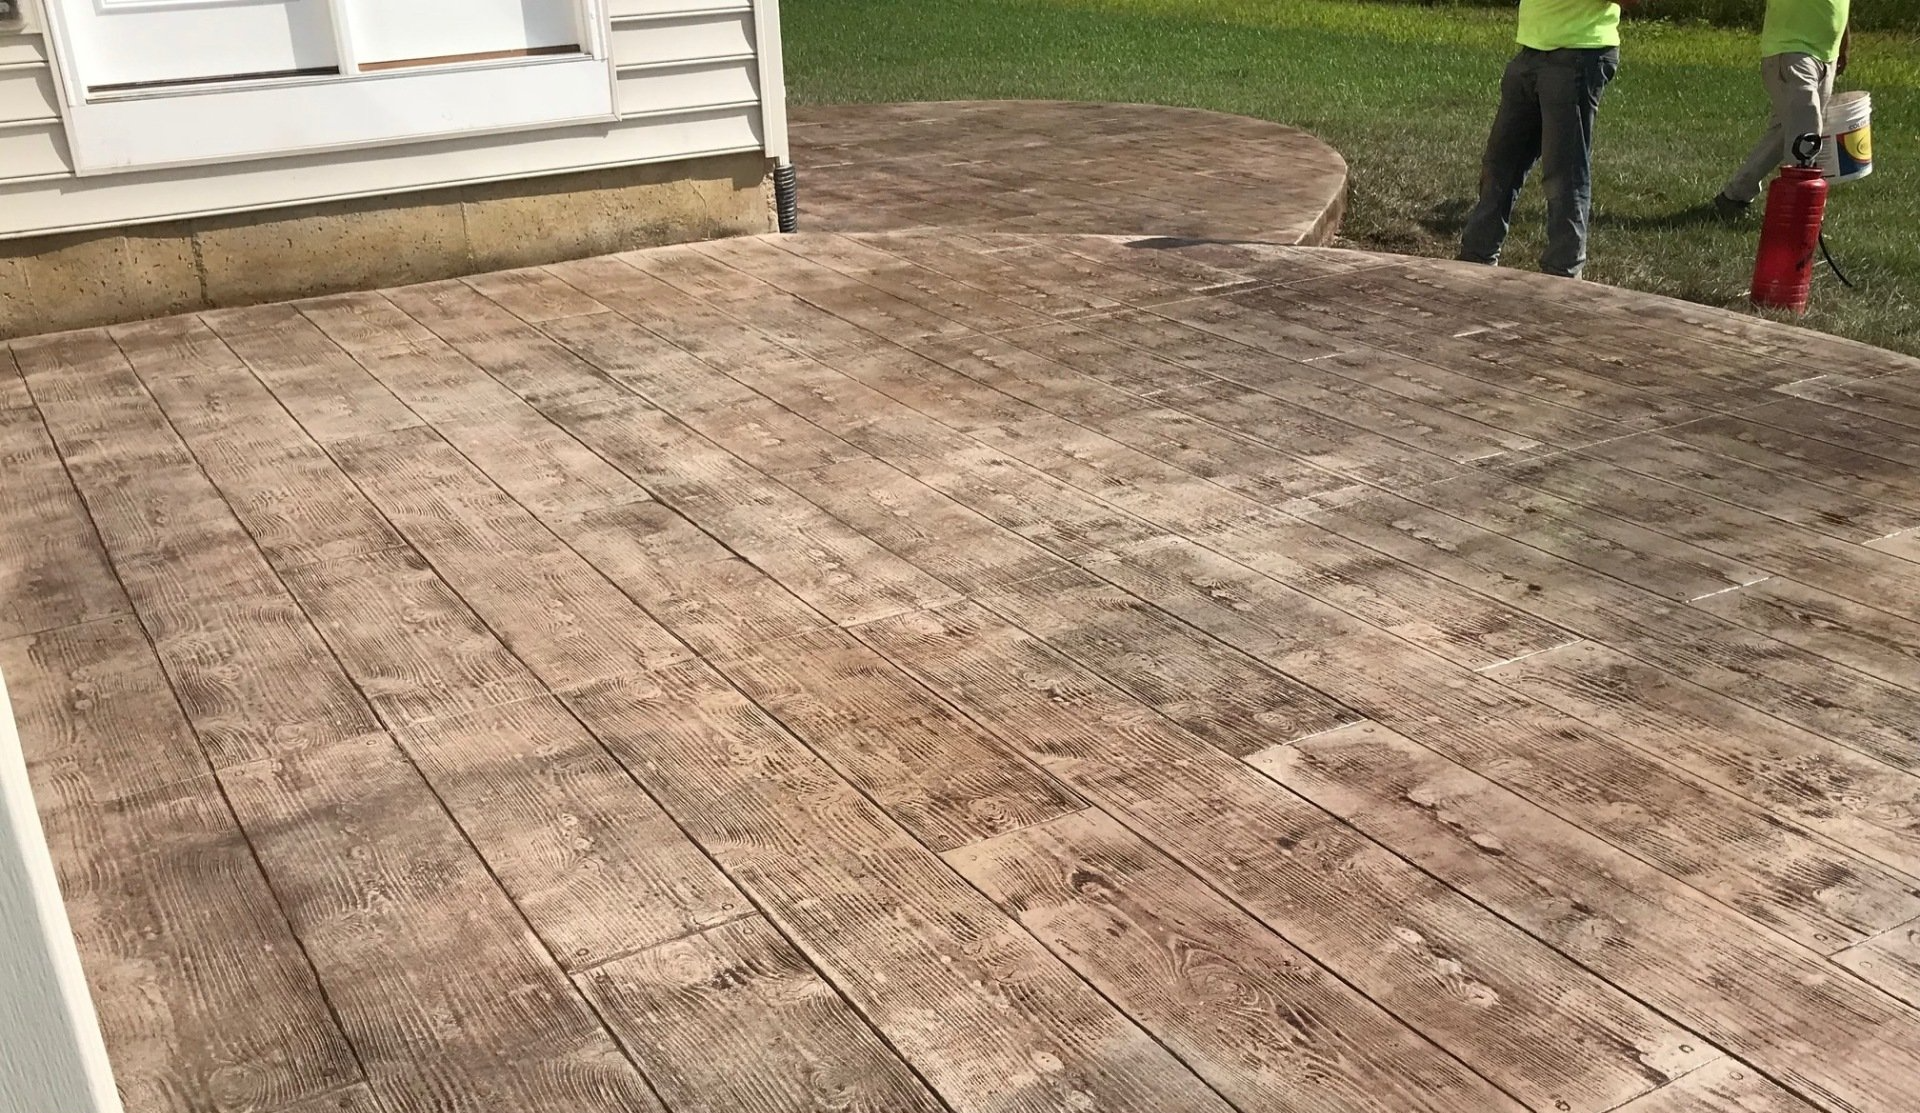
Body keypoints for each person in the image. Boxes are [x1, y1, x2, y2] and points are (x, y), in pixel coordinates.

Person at [1458, 0, 1641, 280]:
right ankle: (1475, 260)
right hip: (1531, 50)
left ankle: (1563, 275)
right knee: (1498, 165)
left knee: (1564, 172)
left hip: (1580, 52)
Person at [1714, 0, 1852, 218]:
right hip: (1790, 49)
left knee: (1785, 130)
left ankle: (1734, 196)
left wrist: (1843, 42)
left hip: (1827, 54)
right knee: (1806, 127)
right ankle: (1799, 212)